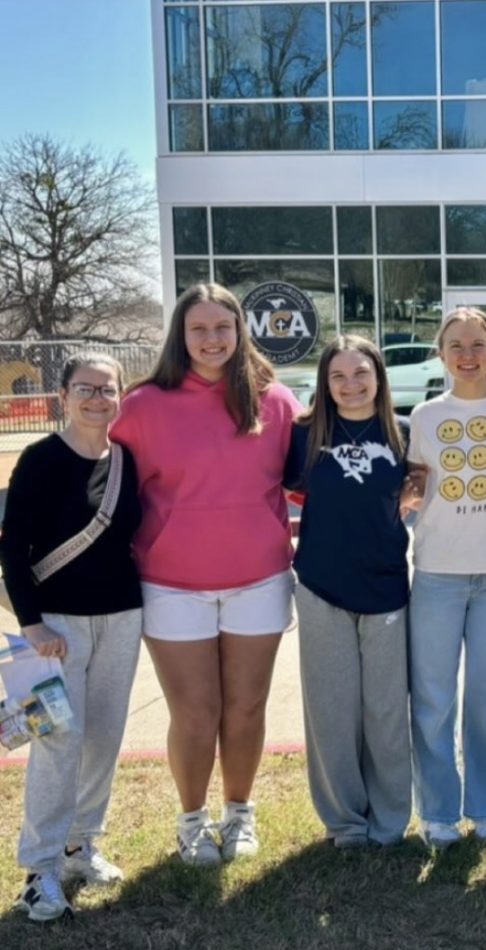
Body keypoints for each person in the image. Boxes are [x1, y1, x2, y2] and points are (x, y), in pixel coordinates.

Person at [110, 283, 300, 866]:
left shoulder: (275, 402)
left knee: (245, 709)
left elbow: (307, 482)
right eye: (199, 328)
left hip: (259, 579)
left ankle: (239, 813)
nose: (212, 339)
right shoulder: (142, 406)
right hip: (171, 585)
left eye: (223, 327)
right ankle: (191, 821)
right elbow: (106, 489)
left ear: (241, 331)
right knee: (195, 714)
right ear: (181, 335)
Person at [0, 353, 143, 921]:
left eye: (107, 390)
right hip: (55, 626)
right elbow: (12, 547)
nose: (96, 399)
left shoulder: (127, 460)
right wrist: (31, 623)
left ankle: (81, 845)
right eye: (85, 389)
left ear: (120, 397)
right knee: (58, 743)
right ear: (63, 396)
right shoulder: (40, 459)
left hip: (122, 617)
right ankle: (39, 871)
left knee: (103, 738)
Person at [285, 336, 419, 848]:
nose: (351, 384)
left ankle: (389, 819)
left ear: (379, 376)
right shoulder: (304, 435)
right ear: (325, 383)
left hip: (385, 587)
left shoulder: (405, 432)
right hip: (321, 586)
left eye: (361, 373)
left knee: (386, 712)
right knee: (332, 713)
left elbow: (421, 486)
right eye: (338, 376)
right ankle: (344, 821)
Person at [406, 307, 486, 847]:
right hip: (437, 574)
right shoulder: (425, 415)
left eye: (478, 344)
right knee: (434, 698)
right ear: (441, 353)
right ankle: (438, 810)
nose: (467, 354)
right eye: (456, 345)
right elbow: (415, 489)